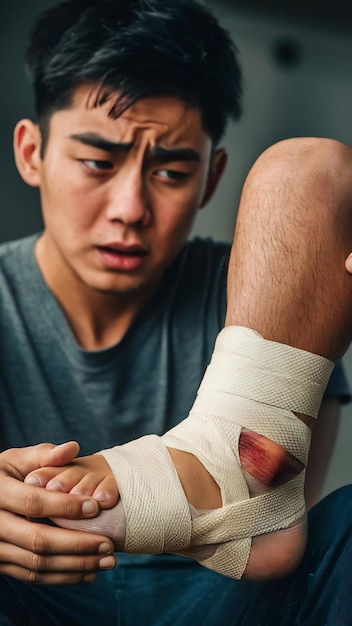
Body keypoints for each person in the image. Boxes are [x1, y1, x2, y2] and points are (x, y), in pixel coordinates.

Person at [0, 0, 351, 622]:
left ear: (211, 179)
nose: (130, 207)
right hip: (29, 597)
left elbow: (274, 488)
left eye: (169, 170)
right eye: (97, 163)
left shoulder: (277, 289)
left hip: (224, 601)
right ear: (32, 154)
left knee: (312, 173)